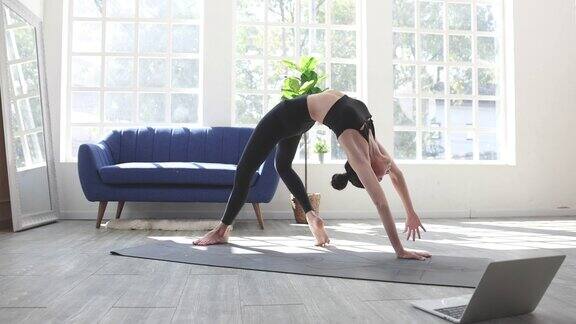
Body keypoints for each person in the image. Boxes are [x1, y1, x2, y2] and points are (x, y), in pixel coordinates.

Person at [193, 90, 431, 261]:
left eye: (380, 177)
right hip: (289, 118)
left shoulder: (368, 148)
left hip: (296, 118)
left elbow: (396, 177)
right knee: (269, 167)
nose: (385, 174)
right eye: (378, 178)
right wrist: (400, 248)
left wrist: (411, 214)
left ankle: (224, 230)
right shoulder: (361, 148)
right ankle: (306, 215)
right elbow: (381, 201)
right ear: (366, 167)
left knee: (263, 167)